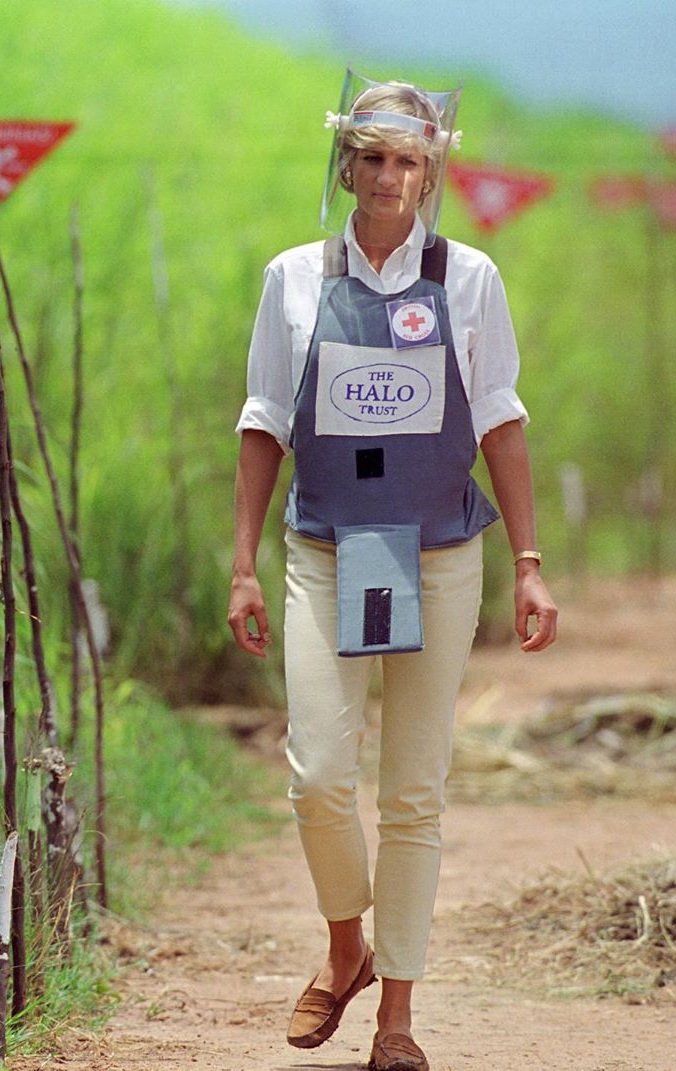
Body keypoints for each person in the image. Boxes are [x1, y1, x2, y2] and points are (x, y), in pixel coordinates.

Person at [228, 71, 557, 1071]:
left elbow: (500, 421)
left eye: (406, 159)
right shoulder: (293, 278)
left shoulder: (470, 281)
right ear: (345, 164)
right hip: (326, 550)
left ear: (431, 170)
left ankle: (398, 1022)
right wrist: (242, 563)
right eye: (369, 156)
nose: (386, 176)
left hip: (441, 551)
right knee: (320, 774)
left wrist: (530, 565)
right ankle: (346, 947)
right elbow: (263, 424)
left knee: (414, 792)